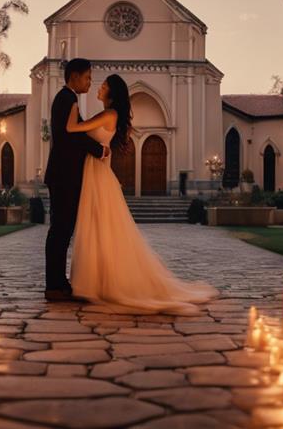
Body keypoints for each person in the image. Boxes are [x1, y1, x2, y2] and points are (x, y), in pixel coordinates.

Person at [66, 73, 218, 314]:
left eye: (103, 86)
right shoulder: (113, 116)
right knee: (99, 226)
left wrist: (72, 102)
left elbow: (72, 127)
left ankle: (96, 282)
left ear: (111, 93)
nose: (99, 87)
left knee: (98, 225)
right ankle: (95, 280)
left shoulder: (108, 114)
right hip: (98, 173)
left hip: (97, 174)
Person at [43, 58, 110, 301]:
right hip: (63, 175)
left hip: (65, 174)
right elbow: (70, 137)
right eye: (87, 78)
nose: (90, 83)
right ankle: (54, 285)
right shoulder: (67, 99)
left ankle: (59, 282)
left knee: (63, 229)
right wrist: (99, 150)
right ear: (74, 77)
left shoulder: (68, 99)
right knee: (60, 229)